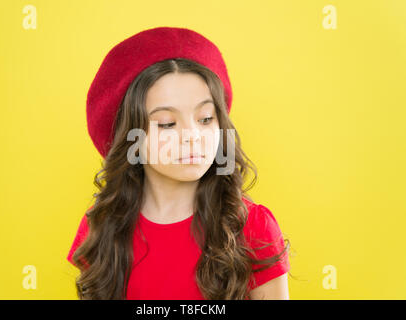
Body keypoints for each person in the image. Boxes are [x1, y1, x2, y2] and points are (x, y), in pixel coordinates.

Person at [67, 26, 291, 300]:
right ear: (132, 138)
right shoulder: (101, 226)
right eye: (167, 123)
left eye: (206, 118)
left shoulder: (253, 227)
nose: (192, 137)